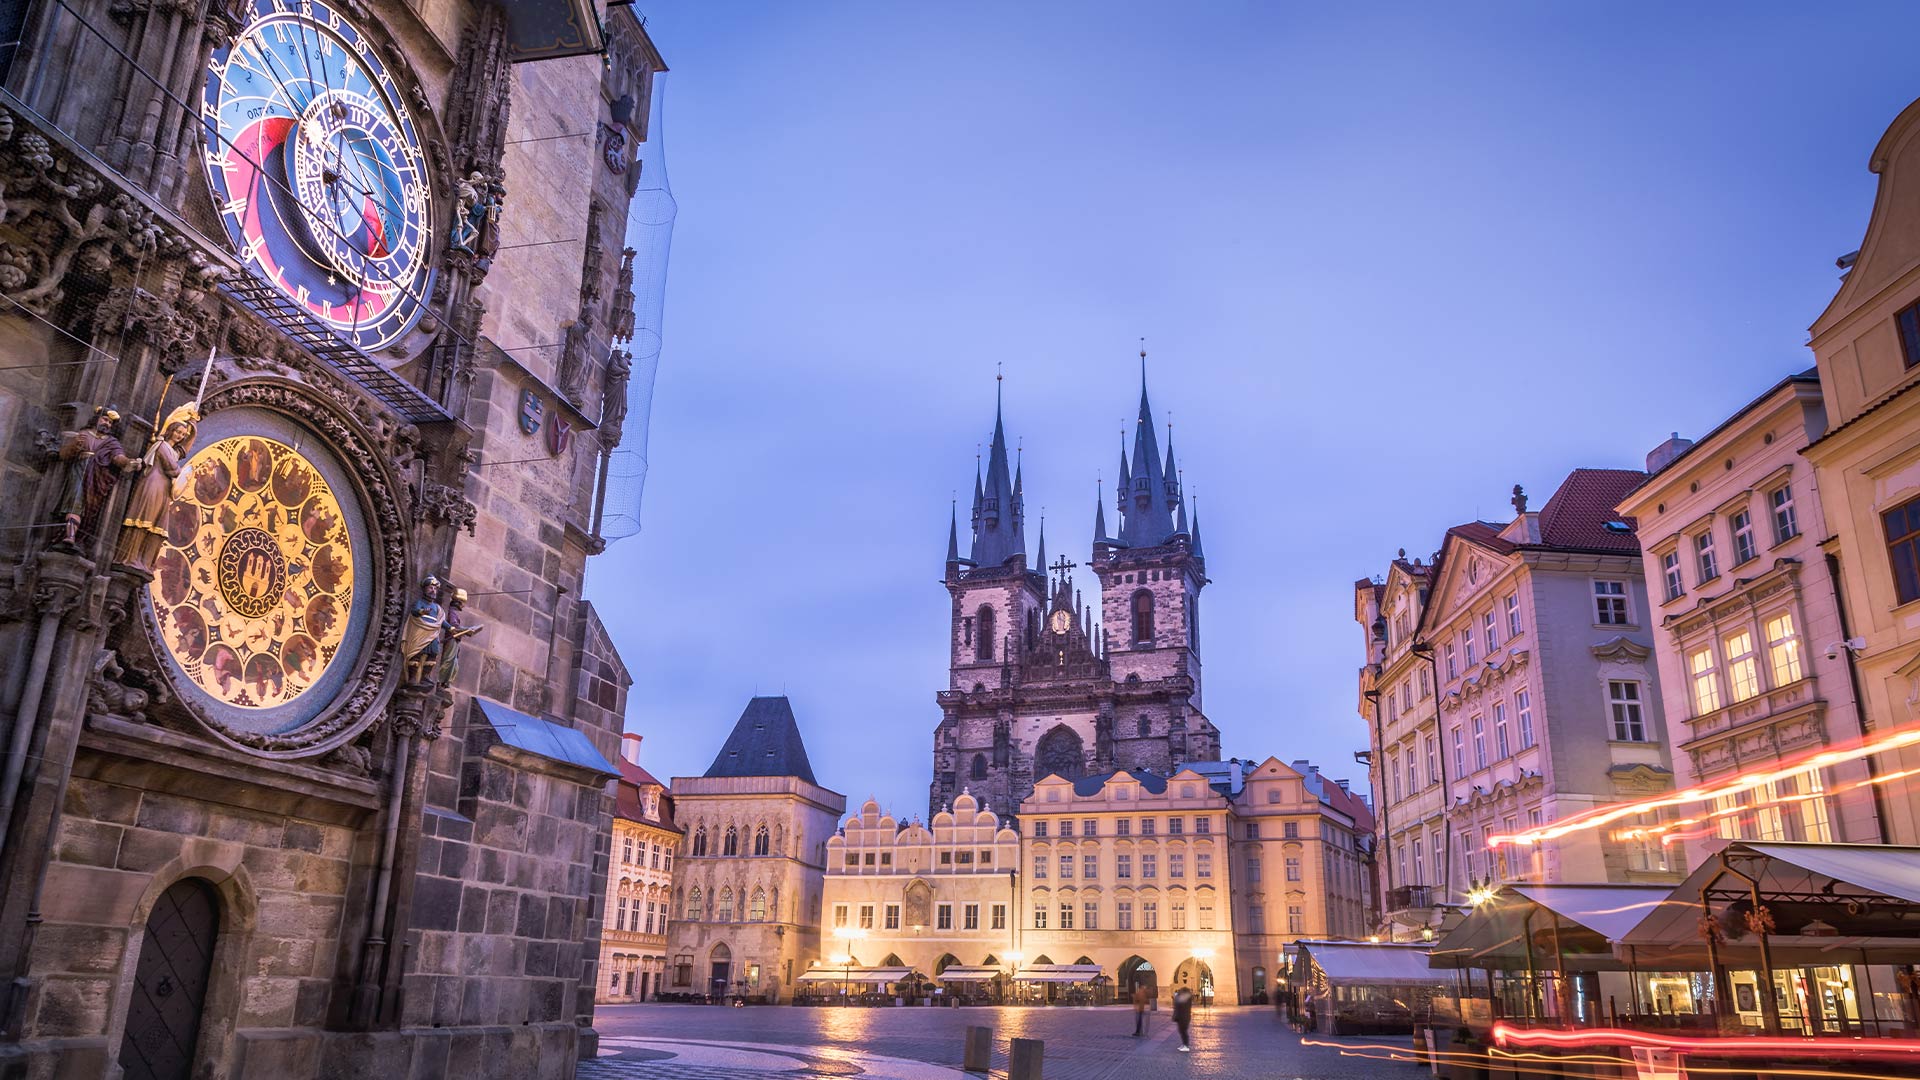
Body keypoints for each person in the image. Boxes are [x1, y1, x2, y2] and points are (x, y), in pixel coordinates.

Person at [1172, 986, 1194, 1052]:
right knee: (1182, 1031)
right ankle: (1184, 1044)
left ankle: (1186, 1045)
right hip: (1183, 1017)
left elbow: (1178, 1004)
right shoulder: (1185, 997)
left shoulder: (1184, 998)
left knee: (1183, 1031)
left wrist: (1176, 997)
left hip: (1183, 1017)